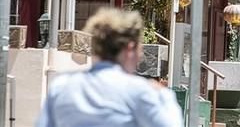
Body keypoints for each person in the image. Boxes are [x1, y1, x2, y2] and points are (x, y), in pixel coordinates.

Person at [36, 8, 183, 127]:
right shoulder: (139, 91)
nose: (141, 55)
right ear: (130, 48)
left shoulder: (61, 87)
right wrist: (165, 95)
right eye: (140, 48)